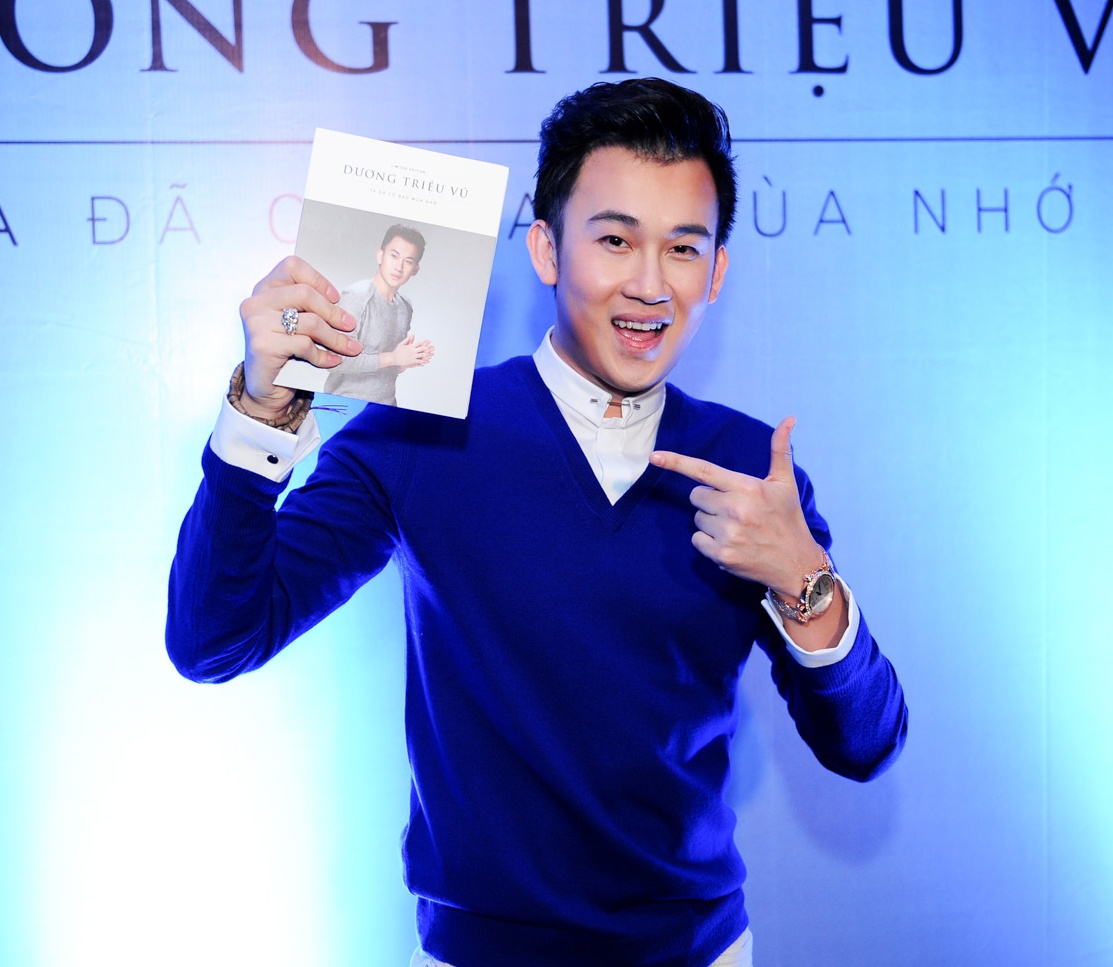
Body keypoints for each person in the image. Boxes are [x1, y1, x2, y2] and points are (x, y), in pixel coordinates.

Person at [168, 78, 907, 967]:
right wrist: (258, 410)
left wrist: (803, 580)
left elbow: (865, 745)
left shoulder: (752, 466)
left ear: (716, 271)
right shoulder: (417, 432)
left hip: (699, 949)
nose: (648, 284)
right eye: (614, 239)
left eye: (682, 247)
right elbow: (214, 639)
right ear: (546, 250)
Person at [322, 222, 435, 404]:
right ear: (380, 256)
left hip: (386, 407)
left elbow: (386, 369)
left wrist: (406, 360)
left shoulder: (405, 307)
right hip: (344, 407)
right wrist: (394, 357)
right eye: (394, 256)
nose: (399, 267)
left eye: (408, 261)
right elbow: (334, 360)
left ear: (415, 270)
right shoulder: (357, 295)